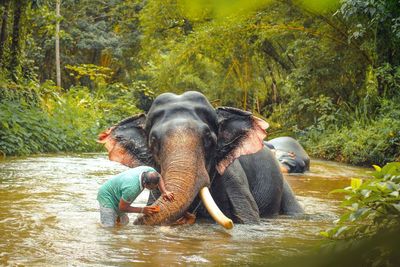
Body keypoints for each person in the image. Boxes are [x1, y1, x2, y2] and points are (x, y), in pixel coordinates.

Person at [97, 166, 174, 227]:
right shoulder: (132, 188)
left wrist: (164, 192)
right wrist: (142, 210)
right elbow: (122, 208)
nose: (154, 189)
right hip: (106, 196)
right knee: (109, 227)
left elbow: (159, 176)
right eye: (151, 188)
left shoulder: (150, 170)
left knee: (124, 223)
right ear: (145, 184)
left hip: (119, 193)